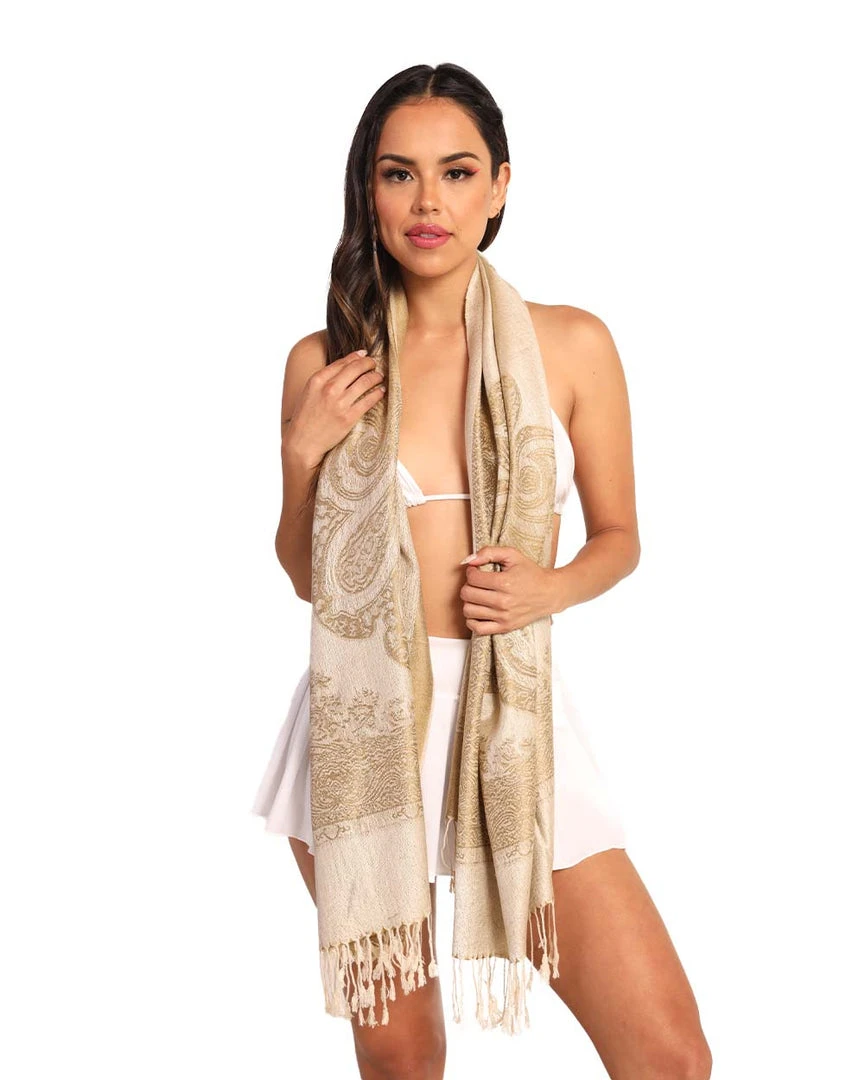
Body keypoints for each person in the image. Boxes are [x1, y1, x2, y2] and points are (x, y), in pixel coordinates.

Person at [252, 62, 712, 1080]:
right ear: (367, 190)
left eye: (456, 173)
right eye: (399, 174)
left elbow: (618, 536)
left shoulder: (571, 343)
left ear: (500, 186)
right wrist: (300, 453)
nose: (428, 203)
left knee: (668, 1056)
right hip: (362, 724)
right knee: (402, 1060)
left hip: (513, 717)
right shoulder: (325, 360)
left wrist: (551, 587)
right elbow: (306, 578)